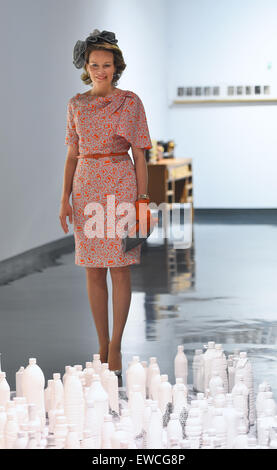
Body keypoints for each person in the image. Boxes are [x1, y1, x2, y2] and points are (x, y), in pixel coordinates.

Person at [59, 29, 156, 376]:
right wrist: (64, 200)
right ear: (86, 66)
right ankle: (101, 344)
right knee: (93, 269)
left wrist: (143, 200)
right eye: (94, 64)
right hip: (86, 188)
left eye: (107, 65)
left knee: (120, 265)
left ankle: (116, 344)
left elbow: (141, 155)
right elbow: (72, 155)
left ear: (117, 66)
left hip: (119, 184)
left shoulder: (130, 102)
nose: (101, 71)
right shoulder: (76, 104)